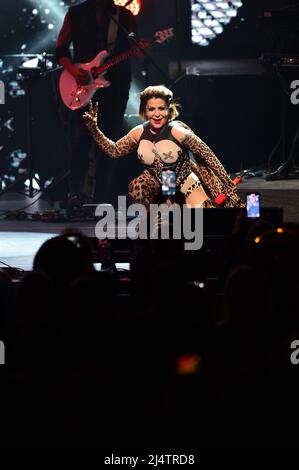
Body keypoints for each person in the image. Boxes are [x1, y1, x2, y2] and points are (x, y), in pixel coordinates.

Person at [83, 84, 243, 208]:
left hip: (183, 181)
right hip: (159, 183)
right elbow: (114, 150)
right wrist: (94, 129)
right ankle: (154, 226)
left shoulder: (179, 132)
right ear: (144, 111)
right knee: (136, 187)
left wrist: (227, 184)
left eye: (161, 108)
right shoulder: (138, 132)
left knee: (204, 220)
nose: (157, 114)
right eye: (152, 109)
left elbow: (209, 157)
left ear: (169, 109)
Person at [56, 0, 136, 206]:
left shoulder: (123, 16)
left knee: (108, 143)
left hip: (116, 87)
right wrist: (74, 71)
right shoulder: (75, 13)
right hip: (82, 85)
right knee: (80, 141)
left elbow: (131, 48)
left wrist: (139, 49)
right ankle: (75, 193)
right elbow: (61, 50)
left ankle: (102, 198)